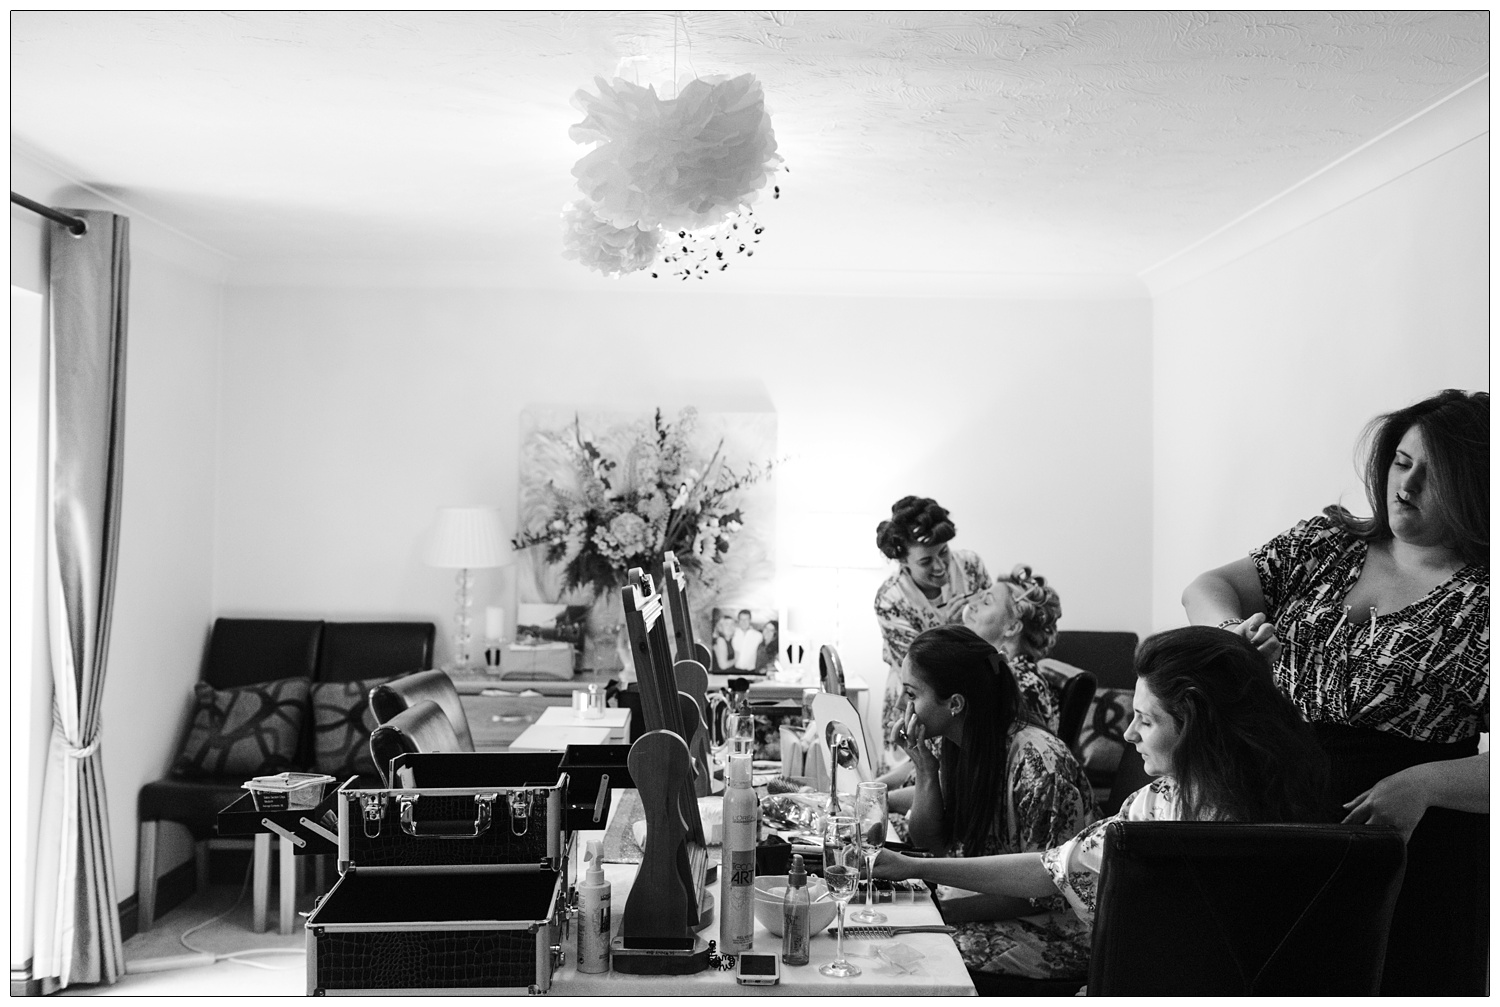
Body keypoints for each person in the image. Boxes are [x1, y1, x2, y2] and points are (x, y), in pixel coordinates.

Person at [1180, 388, 1489, 995]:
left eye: (1435, 475)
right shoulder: (1328, 542)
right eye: (1402, 462)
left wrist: (1421, 785)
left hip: (1414, 842)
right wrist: (1230, 636)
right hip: (1280, 808)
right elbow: (1206, 586)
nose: (1408, 485)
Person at [876, 626, 1330, 989]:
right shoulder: (1296, 809)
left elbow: (1046, 879)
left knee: (915, 959)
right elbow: (1054, 867)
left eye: (1146, 720)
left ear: (1194, 723)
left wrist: (925, 885)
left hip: (1132, 973)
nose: (1129, 734)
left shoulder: (1155, 806)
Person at [890, 625, 1096, 982]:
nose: (904, 708)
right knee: (895, 940)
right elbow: (929, 844)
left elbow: (1046, 892)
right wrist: (925, 767)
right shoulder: (955, 742)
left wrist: (942, 912)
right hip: (993, 899)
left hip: (1061, 927)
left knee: (918, 957)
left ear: (955, 704)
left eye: (912, 694)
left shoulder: (1039, 764)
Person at [874, 496, 990, 771]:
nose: (940, 567)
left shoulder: (970, 566)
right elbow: (920, 667)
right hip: (918, 699)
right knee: (915, 781)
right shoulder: (891, 600)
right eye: (926, 561)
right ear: (903, 561)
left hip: (970, 698)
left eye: (944, 552)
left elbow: (993, 630)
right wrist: (950, 629)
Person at [962, 564, 1064, 735]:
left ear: (1012, 627)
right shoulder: (992, 671)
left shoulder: (1022, 687)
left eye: (986, 602)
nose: (972, 605)